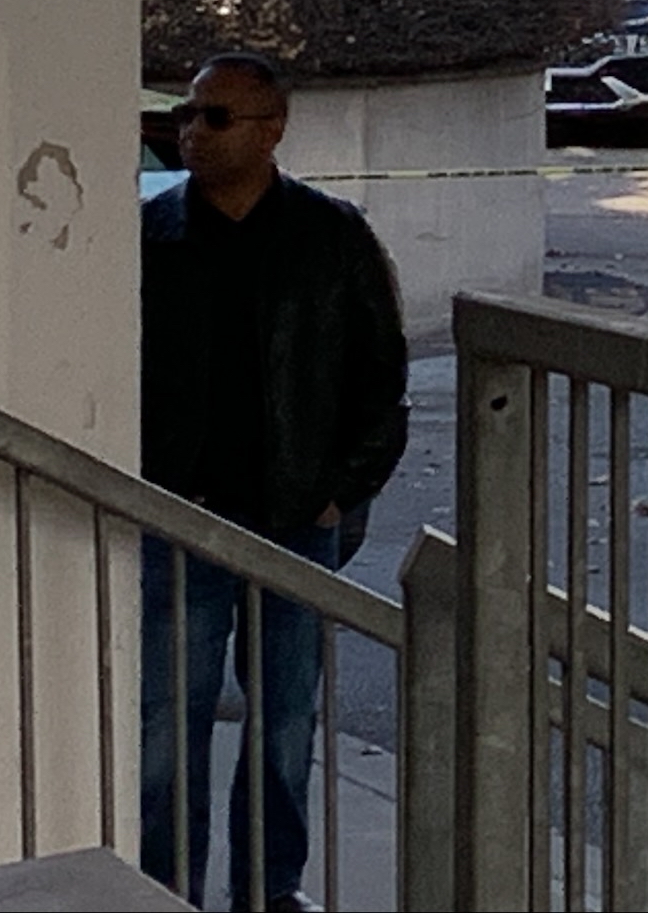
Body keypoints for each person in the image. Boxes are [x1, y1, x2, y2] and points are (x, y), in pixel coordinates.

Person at [140, 52, 410, 912]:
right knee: (164, 727)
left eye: (214, 117)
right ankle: (164, 891)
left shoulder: (331, 237)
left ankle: (272, 890)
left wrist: (343, 487)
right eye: (186, 114)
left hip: (296, 520)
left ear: (271, 130)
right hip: (180, 519)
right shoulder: (151, 236)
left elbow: (381, 376)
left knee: (286, 725)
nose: (191, 131)